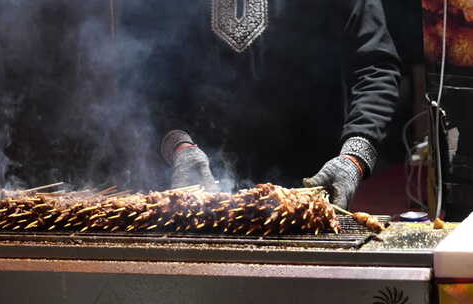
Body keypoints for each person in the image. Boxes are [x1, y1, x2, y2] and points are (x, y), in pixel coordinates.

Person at [115, 0, 401, 209]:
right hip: (202, 191)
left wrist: (353, 159)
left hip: (308, 189)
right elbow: (149, 77)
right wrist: (179, 147)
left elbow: (375, 68)